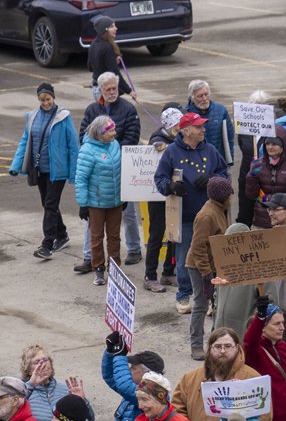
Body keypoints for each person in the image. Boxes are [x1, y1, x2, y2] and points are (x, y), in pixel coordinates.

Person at [155, 112, 228, 313]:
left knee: (214, 256)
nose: (203, 129)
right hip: (185, 216)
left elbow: (224, 173)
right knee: (186, 257)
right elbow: (159, 179)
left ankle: (213, 296)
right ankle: (184, 295)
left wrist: (213, 178)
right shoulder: (171, 152)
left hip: (211, 216)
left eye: (202, 126)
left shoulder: (211, 150)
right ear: (186, 131)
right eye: (198, 127)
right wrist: (171, 187)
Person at [76, 72, 142, 273]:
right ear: (100, 90)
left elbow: (132, 136)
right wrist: (102, 154)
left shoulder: (128, 109)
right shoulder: (92, 109)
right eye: (108, 89)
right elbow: (83, 135)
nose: (112, 92)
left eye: (115, 88)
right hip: (99, 173)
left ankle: (134, 248)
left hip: (122, 167)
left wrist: (113, 153)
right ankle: (90, 258)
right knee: (93, 224)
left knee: (127, 213)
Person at [8, 82, 79, 259]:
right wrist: (15, 166)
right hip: (40, 169)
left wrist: (75, 172)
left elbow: (73, 145)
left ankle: (47, 245)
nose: (45, 103)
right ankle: (62, 235)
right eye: (42, 100)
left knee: (50, 204)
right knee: (48, 204)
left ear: (53, 97)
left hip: (58, 170)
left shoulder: (63, 117)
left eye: (48, 99)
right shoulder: (32, 117)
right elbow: (25, 141)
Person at [184, 177, 233, 359]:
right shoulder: (207, 215)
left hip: (214, 264)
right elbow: (198, 247)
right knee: (201, 304)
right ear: (222, 196)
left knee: (217, 304)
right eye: (229, 194)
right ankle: (196, 345)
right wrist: (206, 274)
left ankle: (216, 343)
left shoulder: (221, 209)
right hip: (199, 266)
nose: (232, 197)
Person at [75, 115, 124, 286]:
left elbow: (121, 172)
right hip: (96, 202)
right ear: (100, 133)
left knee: (114, 236)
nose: (114, 133)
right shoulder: (87, 150)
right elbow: (81, 179)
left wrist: (123, 196)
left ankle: (115, 268)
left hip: (115, 201)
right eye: (110, 130)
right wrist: (83, 204)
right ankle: (98, 269)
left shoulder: (115, 145)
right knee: (96, 236)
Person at [141, 106, 184, 293]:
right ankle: (150, 275)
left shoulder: (180, 139)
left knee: (174, 235)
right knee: (156, 235)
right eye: (176, 126)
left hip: (174, 194)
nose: (179, 130)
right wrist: (162, 147)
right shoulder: (159, 139)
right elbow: (156, 144)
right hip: (158, 196)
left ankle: (168, 271)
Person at [183, 79, 235, 167]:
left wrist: (229, 161)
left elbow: (229, 137)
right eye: (200, 96)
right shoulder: (185, 114)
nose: (204, 99)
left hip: (219, 162)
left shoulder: (221, 110)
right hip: (195, 164)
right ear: (192, 97)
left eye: (206, 94)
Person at [245, 129, 286, 229]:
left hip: (284, 220)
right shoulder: (258, 164)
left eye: (274, 144)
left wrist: (276, 202)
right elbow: (251, 195)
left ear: (283, 145)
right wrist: (251, 176)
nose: (270, 147)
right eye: (267, 143)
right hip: (262, 219)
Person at [86, 16, 131, 99]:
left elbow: (90, 67)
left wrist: (111, 61)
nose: (116, 28)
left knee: (102, 112)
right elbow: (115, 73)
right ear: (105, 30)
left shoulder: (93, 45)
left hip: (96, 88)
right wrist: (129, 91)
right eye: (112, 27)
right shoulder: (107, 47)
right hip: (105, 91)